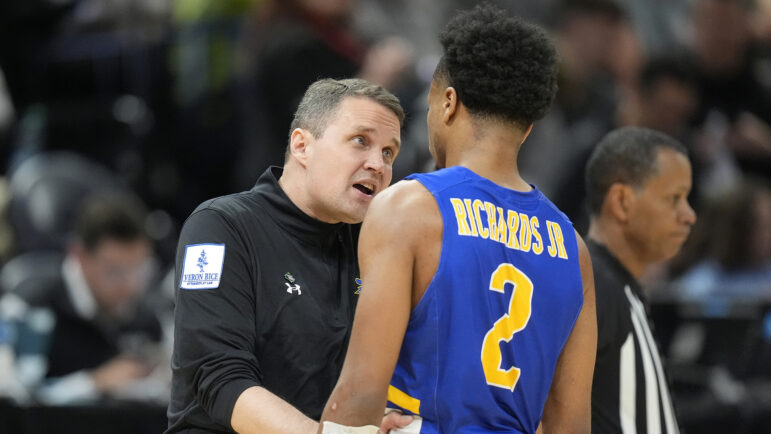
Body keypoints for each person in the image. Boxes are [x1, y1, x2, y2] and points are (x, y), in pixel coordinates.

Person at [319, 5, 597, 433]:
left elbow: (360, 395)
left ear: (448, 103)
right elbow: (571, 426)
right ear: (526, 128)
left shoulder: (408, 209)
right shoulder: (573, 248)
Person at [166, 78, 407, 433]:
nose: (379, 164)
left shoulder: (373, 244)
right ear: (302, 146)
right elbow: (218, 378)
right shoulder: (220, 227)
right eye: (361, 141)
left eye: (389, 152)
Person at [584, 126, 697, 433]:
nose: (689, 215)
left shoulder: (616, 283)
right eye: (674, 198)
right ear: (622, 202)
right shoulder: (593, 285)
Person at [6, 193, 162, 404]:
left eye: (139, 270)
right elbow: (17, 401)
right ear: (79, 255)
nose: (129, 287)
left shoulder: (144, 314)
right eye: (114, 272)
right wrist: (94, 384)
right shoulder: (31, 305)